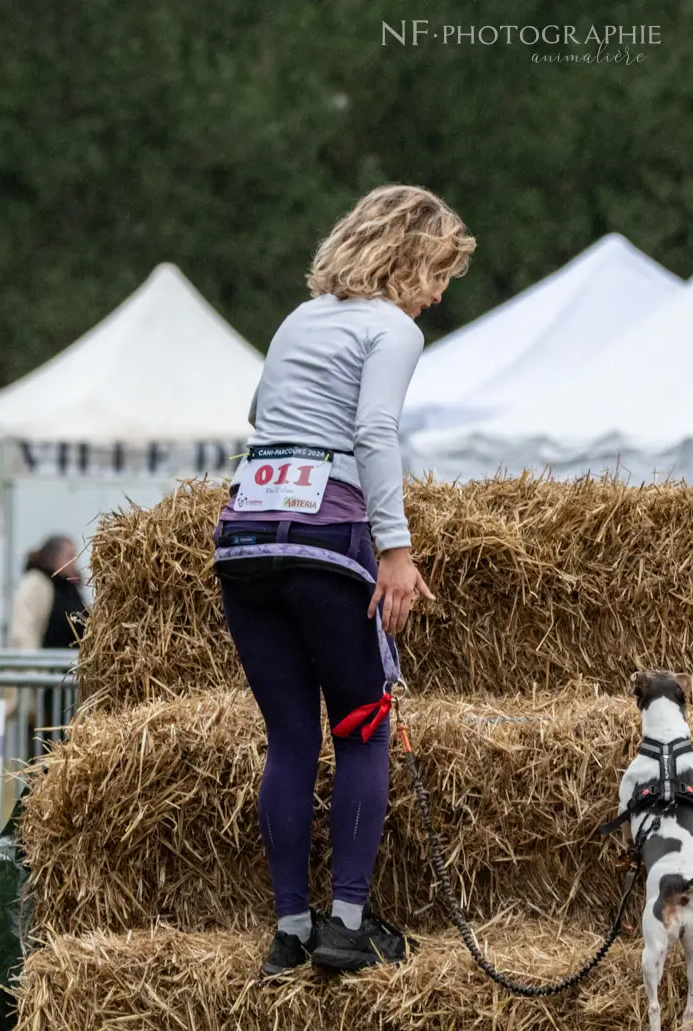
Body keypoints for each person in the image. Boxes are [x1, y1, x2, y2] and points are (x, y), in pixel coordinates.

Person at [211, 184, 474, 977]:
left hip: (247, 536)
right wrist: (394, 548)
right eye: (437, 273)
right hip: (325, 538)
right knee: (363, 727)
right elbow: (371, 430)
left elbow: (262, 408)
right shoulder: (391, 328)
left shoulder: (299, 319)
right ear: (406, 255)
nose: (435, 293)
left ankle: (289, 930)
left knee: (291, 738)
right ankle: (347, 925)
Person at [10, 534, 88, 652]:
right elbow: (22, 633)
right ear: (53, 558)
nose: (74, 563)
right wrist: (33, 668)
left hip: (69, 666)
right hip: (46, 666)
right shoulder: (35, 584)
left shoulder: (71, 588)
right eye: (69, 557)